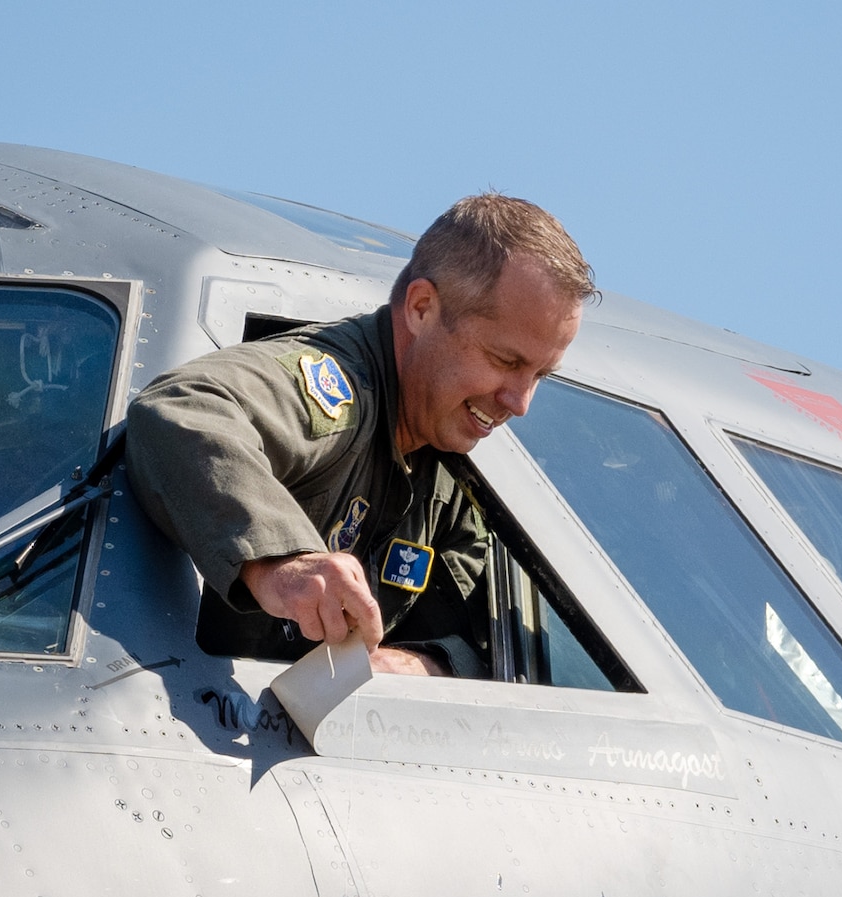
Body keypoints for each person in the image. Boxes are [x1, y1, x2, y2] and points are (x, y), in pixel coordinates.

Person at [126, 193, 594, 675]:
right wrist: (281, 563)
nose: (520, 403)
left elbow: (480, 642)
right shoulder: (341, 391)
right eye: (505, 360)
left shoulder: (454, 467)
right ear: (422, 308)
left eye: (540, 375)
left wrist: (420, 665)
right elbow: (182, 409)